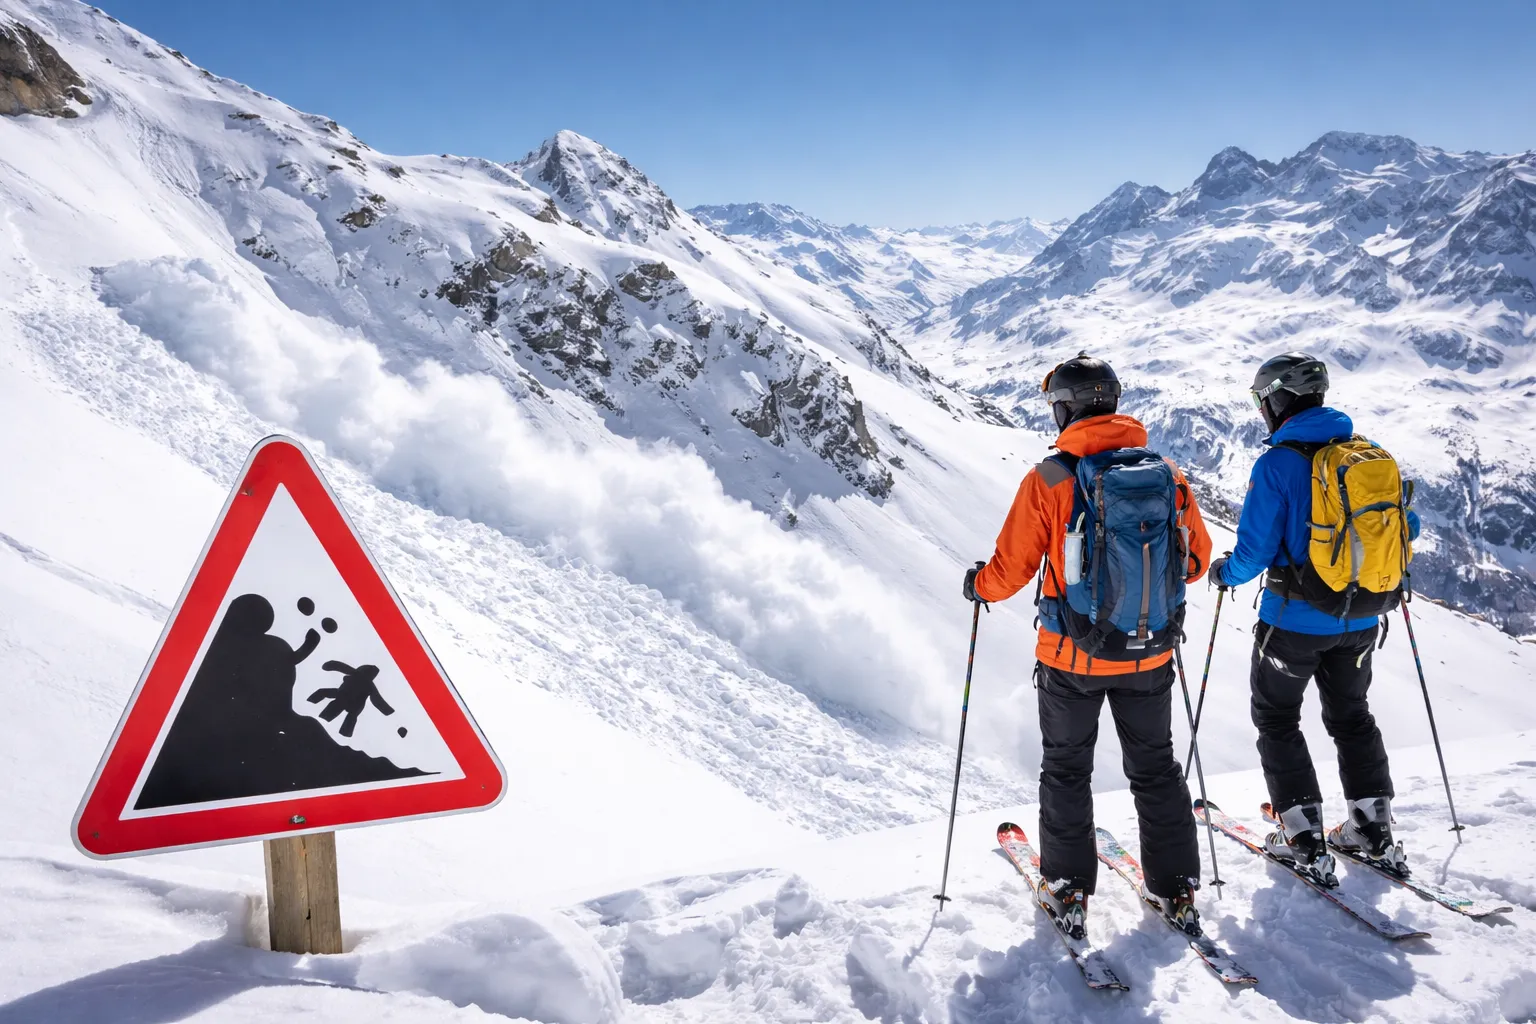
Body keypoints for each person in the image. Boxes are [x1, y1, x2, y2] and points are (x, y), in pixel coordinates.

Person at [966, 353, 1213, 937]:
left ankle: (1069, 887)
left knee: (1067, 769)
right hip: (1150, 652)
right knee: (1155, 767)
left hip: (1071, 657)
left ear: (1065, 410)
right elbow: (1196, 561)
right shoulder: (1167, 474)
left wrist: (979, 586)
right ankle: (1177, 887)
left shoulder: (1051, 478)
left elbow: (1013, 567)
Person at [1209, 352, 1420, 881]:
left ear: (1277, 400)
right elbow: (1406, 527)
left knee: (1277, 718)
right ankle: (1372, 829)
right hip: (1363, 617)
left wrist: (1224, 574)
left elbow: (1255, 551)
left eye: (1261, 400)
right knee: (1352, 716)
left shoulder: (1277, 465)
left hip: (1294, 621)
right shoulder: (1367, 454)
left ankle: (1302, 836)